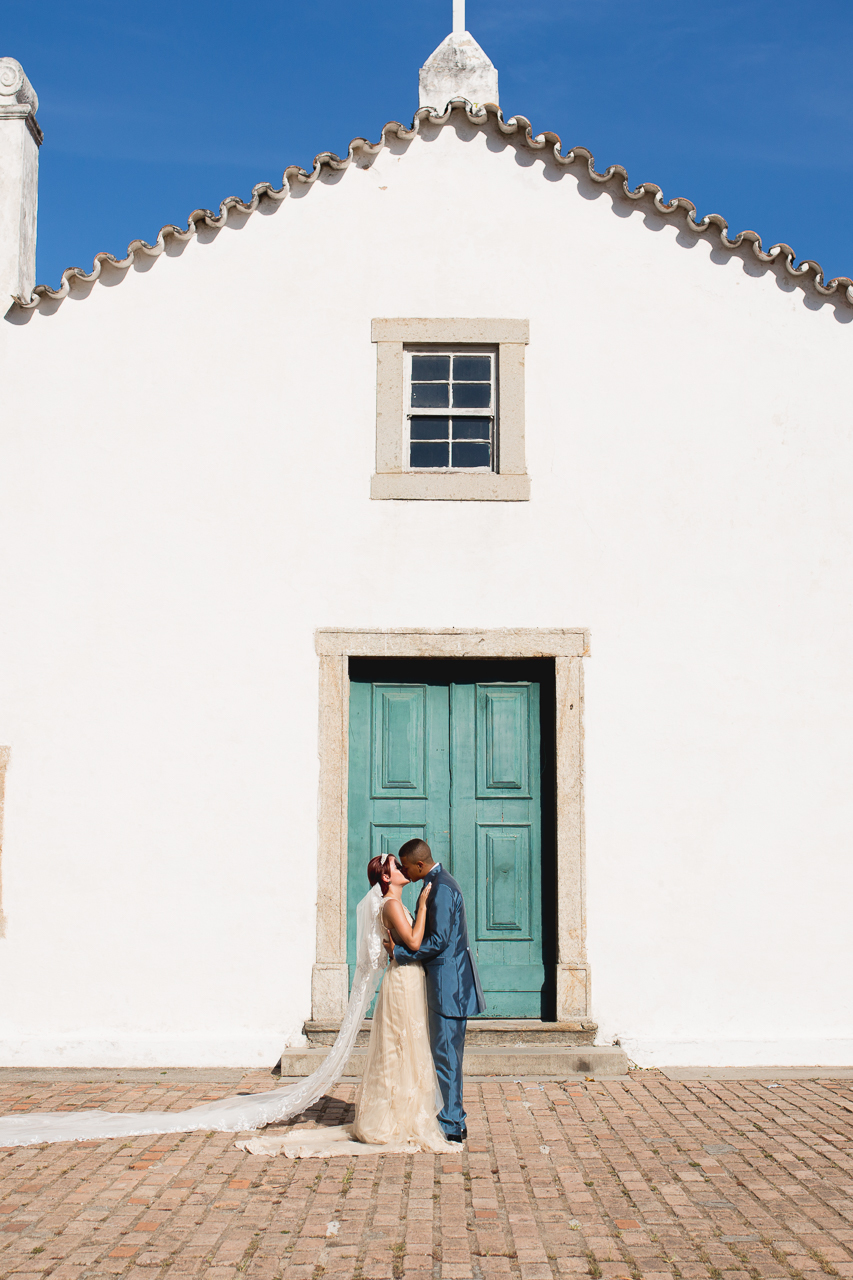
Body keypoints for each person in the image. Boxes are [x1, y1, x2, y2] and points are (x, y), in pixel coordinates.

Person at [350, 855, 456, 1153]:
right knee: (400, 1045)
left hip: (410, 977)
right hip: (403, 980)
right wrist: (423, 908)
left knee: (408, 1044)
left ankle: (404, 1111)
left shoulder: (396, 904)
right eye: (397, 867)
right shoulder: (392, 905)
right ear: (386, 878)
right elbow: (411, 941)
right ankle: (389, 1118)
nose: (403, 870)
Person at [390, 838, 486, 1144]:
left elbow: (439, 941)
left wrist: (400, 953)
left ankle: (451, 1124)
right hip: (447, 983)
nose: (404, 872)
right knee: (447, 1056)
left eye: (406, 867)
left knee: (446, 1058)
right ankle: (452, 1118)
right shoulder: (437, 883)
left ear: (420, 864)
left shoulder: (441, 888)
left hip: (449, 986)